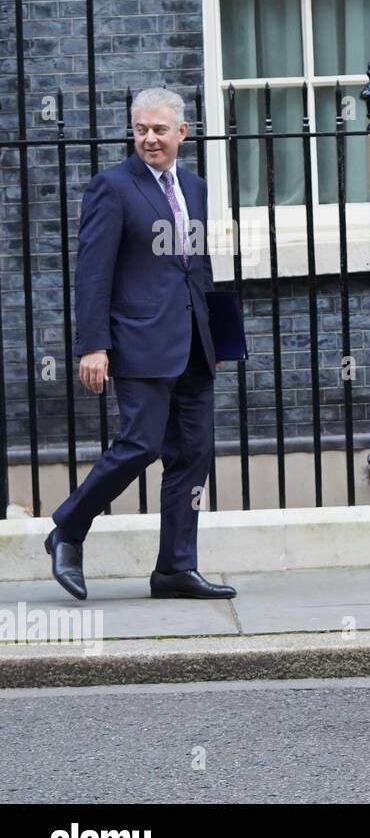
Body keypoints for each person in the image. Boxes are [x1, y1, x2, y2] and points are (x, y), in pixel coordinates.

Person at [44, 87, 233, 603]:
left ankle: (175, 567)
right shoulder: (113, 187)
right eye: (141, 130)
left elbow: (199, 267)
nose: (150, 139)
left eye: (159, 130)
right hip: (139, 341)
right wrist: (92, 346)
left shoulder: (193, 187)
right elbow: (92, 273)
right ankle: (69, 527)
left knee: (193, 455)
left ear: (182, 133)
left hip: (194, 343)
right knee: (141, 444)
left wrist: (217, 335)